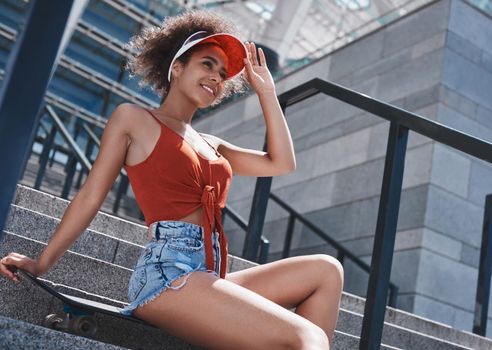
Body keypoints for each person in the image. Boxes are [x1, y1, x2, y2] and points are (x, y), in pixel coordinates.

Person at [0, 9, 343, 350]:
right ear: (177, 67)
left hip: (209, 274)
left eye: (223, 73)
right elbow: (91, 196)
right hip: (168, 275)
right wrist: (41, 262)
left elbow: (281, 163)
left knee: (326, 270)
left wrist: (267, 92)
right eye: (207, 64)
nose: (216, 77)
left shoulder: (213, 144)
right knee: (306, 337)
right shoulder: (134, 119)